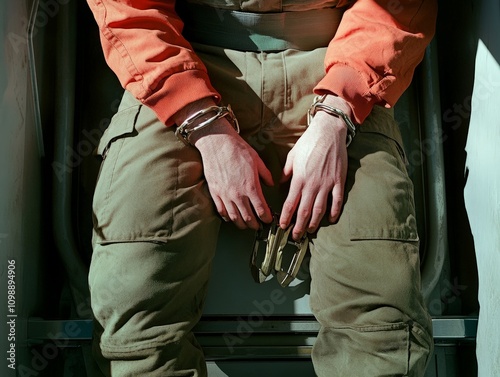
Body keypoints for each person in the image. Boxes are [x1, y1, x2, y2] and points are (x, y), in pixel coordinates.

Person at [86, 0, 437, 375]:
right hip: (180, 62)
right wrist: (204, 125)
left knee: (382, 330)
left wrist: (337, 115)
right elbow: (129, 10)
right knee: (136, 317)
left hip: (343, 66)